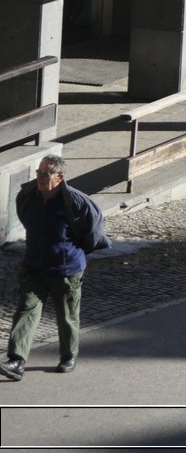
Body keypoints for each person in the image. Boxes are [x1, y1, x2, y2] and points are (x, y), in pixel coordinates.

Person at [0, 155, 107, 380]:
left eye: (46, 173)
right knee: (25, 311)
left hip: (66, 270)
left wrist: (75, 254)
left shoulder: (76, 202)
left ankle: (68, 356)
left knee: (66, 316)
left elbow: (94, 232)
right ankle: (16, 360)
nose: (40, 177)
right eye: (38, 172)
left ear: (60, 177)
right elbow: (25, 217)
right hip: (34, 266)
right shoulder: (28, 196)